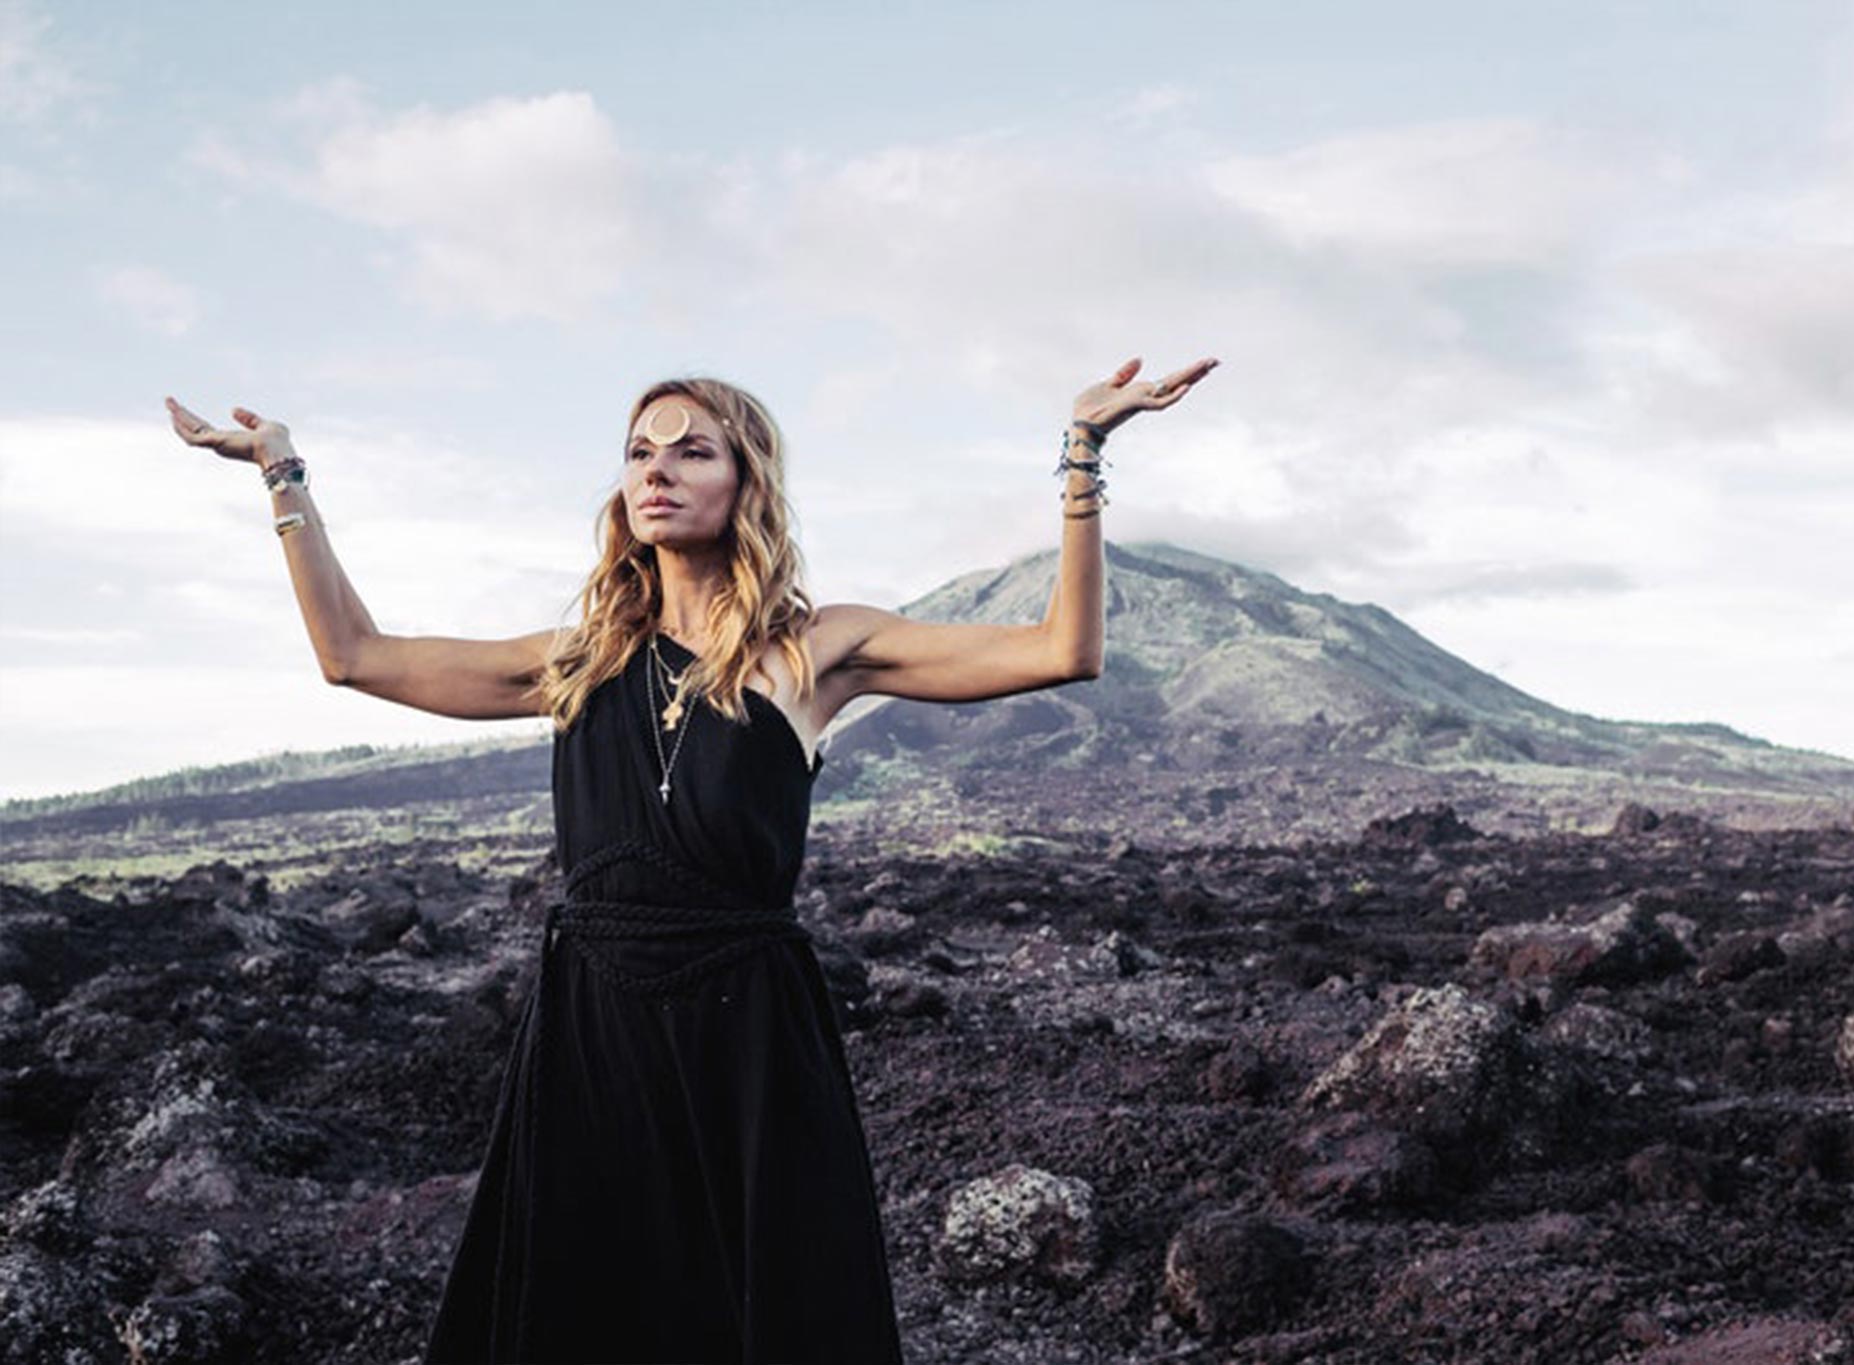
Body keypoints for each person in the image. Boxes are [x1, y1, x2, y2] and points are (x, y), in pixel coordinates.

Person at [162, 354, 1218, 1363]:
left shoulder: (813, 651)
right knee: (593, 1306)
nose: (655, 471)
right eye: (638, 452)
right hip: (594, 1025)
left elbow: (1060, 651)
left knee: (758, 1308)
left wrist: (1081, 451)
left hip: (747, 1034)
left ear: (745, 479)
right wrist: (282, 474)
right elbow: (354, 657)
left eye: (690, 450)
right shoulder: (579, 660)